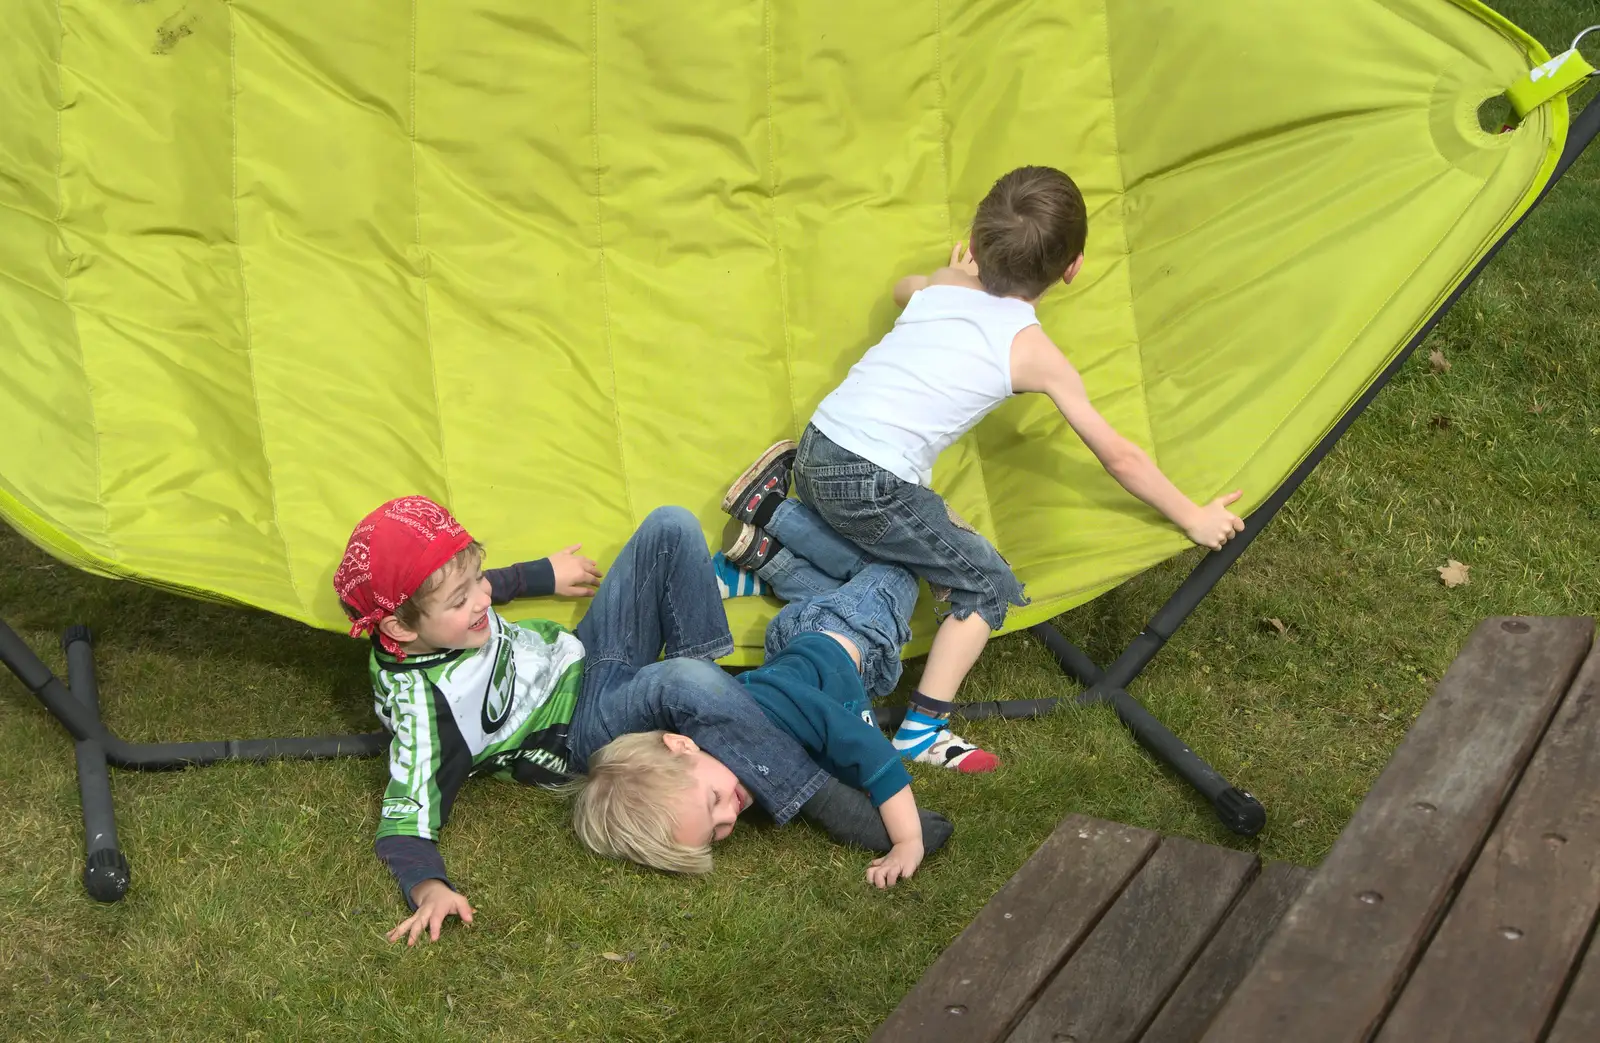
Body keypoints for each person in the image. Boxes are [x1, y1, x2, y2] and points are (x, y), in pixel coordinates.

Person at [724, 165, 1246, 774]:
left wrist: (951, 277)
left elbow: (902, 288)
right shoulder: (1032, 353)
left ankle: (764, 549)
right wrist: (1192, 515)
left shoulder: (943, 283)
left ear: (972, 245)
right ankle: (921, 728)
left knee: (905, 558)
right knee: (984, 584)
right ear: (1073, 267)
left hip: (818, 446)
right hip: (870, 482)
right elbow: (1118, 453)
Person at [333, 496, 949, 945]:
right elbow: (404, 818)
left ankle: (728, 716)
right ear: (399, 628)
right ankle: (821, 798)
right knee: (682, 681)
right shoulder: (424, 710)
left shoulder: (442, 606)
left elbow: (472, 584)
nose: (483, 599)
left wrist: (540, 574)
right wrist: (429, 888)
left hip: (583, 661)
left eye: (476, 582)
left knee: (670, 527)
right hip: (578, 734)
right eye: (462, 599)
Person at [574, 500, 936, 888]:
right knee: (849, 584)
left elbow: (872, 755)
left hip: (848, 635)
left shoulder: (782, 711)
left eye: (714, 801)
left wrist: (907, 840)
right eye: (715, 833)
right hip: (789, 645)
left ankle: (778, 512)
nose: (729, 818)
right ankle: (776, 563)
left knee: (897, 568)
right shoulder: (719, 750)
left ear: (682, 745)